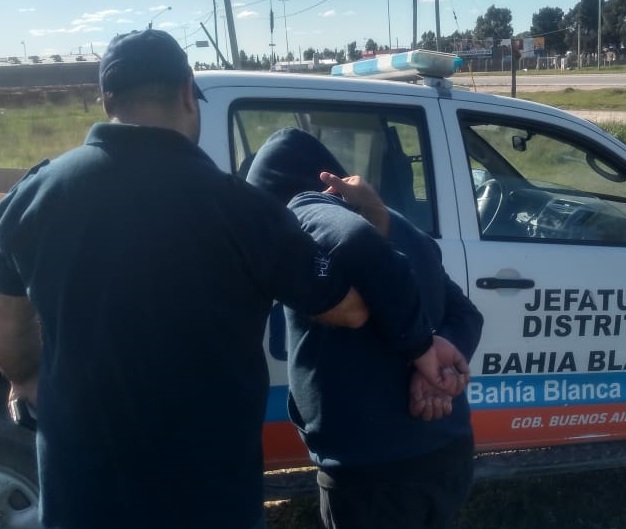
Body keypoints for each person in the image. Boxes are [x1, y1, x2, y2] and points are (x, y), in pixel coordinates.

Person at [0, 30, 461, 529]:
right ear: (186, 93)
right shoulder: (243, 210)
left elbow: (10, 326)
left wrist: (26, 377)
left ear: (107, 100)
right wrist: (372, 225)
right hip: (206, 499)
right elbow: (348, 310)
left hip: (82, 496)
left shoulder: (35, 196)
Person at [247, 127, 484, 529]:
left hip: (373, 469)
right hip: (445, 450)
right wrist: (437, 369)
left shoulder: (303, 209)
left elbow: (357, 240)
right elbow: (466, 315)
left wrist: (421, 351)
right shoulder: (403, 227)